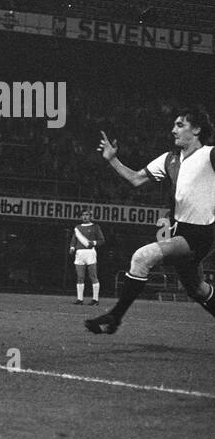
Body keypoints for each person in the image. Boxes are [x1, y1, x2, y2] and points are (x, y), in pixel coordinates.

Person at [86, 107, 215, 333]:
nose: (173, 130)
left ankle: (115, 317)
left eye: (180, 125)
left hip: (202, 233)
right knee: (198, 290)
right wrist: (112, 160)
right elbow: (136, 179)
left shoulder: (210, 155)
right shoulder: (170, 160)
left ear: (196, 129)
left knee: (142, 257)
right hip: (181, 231)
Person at [69, 209, 104, 305]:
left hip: (90, 253)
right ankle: (80, 299)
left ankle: (95, 299)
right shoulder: (77, 228)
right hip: (79, 253)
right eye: (83, 215)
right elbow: (74, 240)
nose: (85, 216)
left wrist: (94, 242)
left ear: (90, 216)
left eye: (87, 215)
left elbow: (101, 240)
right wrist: (72, 247)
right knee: (80, 277)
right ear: (81, 217)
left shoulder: (95, 227)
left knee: (93, 276)